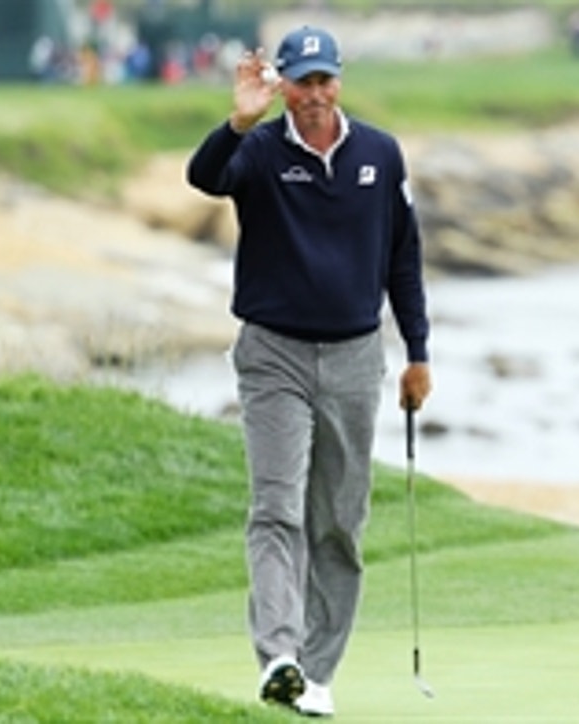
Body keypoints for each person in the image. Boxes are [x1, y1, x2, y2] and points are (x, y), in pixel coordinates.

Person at [186, 25, 432, 718]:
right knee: (276, 507)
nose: (316, 95)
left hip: (357, 355)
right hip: (273, 355)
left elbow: (402, 260)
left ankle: (317, 672)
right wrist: (238, 120)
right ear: (282, 85)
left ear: (340, 82)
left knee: (339, 521)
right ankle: (281, 657)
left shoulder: (380, 154)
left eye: (326, 81)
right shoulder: (258, 151)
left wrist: (418, 351)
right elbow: (204, 178)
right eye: (303, 82)